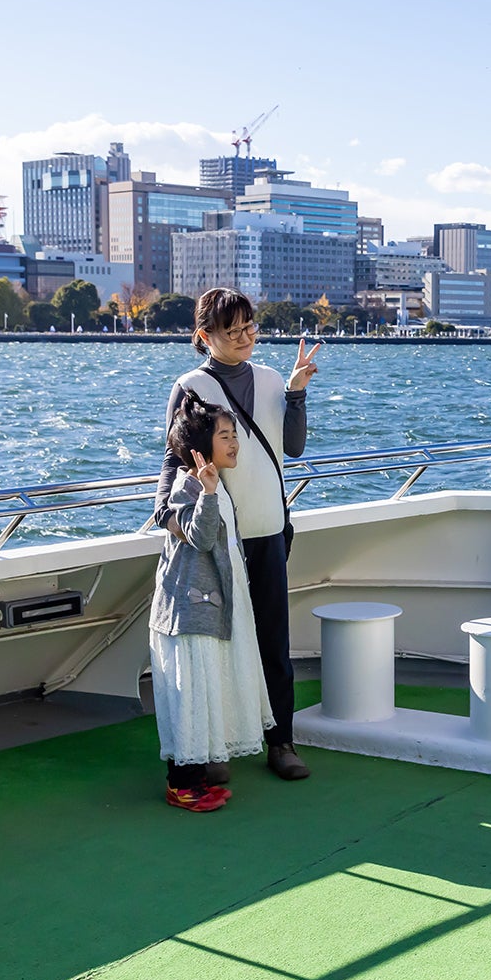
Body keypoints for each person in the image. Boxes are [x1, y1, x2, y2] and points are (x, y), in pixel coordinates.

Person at [153, 289, 321, 782]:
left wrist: (295, 392)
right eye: (234, 330)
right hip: (218, 536)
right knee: (218, 643)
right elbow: (173, 454)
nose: (247, 337)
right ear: (205, 336)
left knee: (273, 640)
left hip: (269, 527)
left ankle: (281, 741)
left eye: (251, 327)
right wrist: (166, 510)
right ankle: (217, 744)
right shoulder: (190, 385)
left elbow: (292, 448)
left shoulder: (270, 379)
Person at [150, 394, 274, 811]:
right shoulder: (191, 487)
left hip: (211, 603)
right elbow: (200, 538)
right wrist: (205, 493)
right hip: (188, 609)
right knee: (191, 690)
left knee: (205, 686)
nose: (235, 442)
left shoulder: (214, 485)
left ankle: (197, 777)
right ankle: (180, 783)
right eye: (226, 435)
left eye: (234, 433)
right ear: (202, 447)